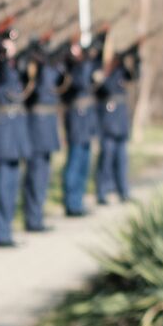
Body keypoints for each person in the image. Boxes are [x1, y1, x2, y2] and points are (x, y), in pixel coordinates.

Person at [0, 27, 30, 246]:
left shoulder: (14, 65)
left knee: (11, 185)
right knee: (1, 185)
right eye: (7, 43)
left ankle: (6, 230)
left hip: (15, 130)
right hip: (0, 131)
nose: (12, 47)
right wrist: (0, 55)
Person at [21, 36, 65, 232]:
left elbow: (60, 82)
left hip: (47, 126)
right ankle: (32, 218)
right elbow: (36, 89)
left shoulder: (49, 66)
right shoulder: (33, 67)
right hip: (36, 127)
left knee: (43, 175)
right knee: (35, 176)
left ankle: (38, 216)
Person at [59, 29, 105, 217]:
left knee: (84, 161)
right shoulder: (69, 65)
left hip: (87, 118)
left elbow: (97, 66)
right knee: (75, 160)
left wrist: (101, 40)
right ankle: (71, 202)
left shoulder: (84, 63)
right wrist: (82, 59)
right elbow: (80, 81)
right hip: (76, 116)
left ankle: (78, 200)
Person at [94, 43, 140, 204]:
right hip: (108, 120)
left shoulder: (121, 71)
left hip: (120, 121)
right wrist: (107, 69)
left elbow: (135, 75)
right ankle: (103, 191)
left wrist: (135, 57)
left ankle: (123, 190)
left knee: (122, 159)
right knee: (106, 157)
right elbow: (103, 87)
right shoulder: (103, 71)